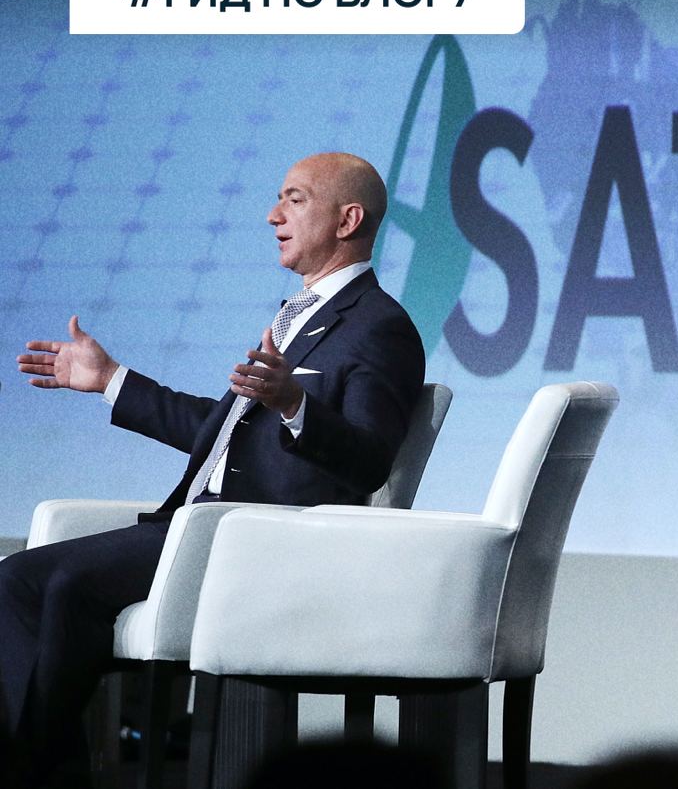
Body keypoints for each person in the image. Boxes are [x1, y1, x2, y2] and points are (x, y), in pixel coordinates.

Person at [1, 152, 426, 788]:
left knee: (67, 585)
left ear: (348, 220)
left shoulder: (380, 327)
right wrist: (110, 379)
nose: (273, 215)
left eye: (295, 199)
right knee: (16, 579)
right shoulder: (297, 315)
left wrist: (295, 404)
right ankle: (36, 769)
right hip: (198, 526)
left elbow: (369, 462)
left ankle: (30, 772)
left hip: (258, 540)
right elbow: (221, 432)